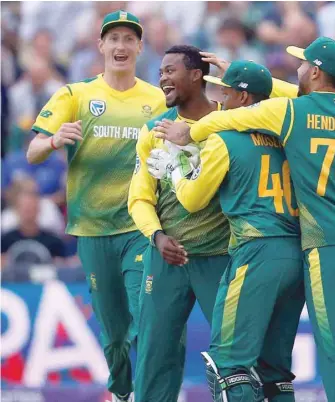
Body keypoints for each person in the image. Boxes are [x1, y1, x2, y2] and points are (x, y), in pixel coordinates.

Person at [155, 37, 335, 402]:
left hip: (321, 245)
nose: (298, 69)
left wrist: (184, 145)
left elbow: (234, 119)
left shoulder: (290, 114)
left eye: (304, 65)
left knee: (322, 352)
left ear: (317, 72)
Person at [26, 10, 167, 402]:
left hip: (141, 227)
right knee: (115, 332)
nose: (121, 46)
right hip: (91, 229)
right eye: (114, 39)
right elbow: (33, 150)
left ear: (140, 46)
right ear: (101, 45)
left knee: (148, 317)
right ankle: (122, 391)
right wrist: (54, 141)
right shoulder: (76, 95)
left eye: (129, 39)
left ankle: (149, 394)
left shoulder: (156, 99)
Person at [149, 60, 305, 402]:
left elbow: (191, 198)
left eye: (228, 92)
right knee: (275, 371)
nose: (221, 99)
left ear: (244, 98)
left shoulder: (225, 139)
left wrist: (175, 166)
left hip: (256, 252)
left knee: (228, 366)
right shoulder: (290, 137)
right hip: (298, 253)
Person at [127, 45, 230, 402]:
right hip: (166, 257)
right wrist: (156, 236)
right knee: (155, 354)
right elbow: (139, 197)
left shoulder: (230, 121)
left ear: (197, 74)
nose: (163, 78)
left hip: (220, 255)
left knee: (232, 354)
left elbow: (293, 98)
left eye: (171, 70)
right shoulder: (154, 130)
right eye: (160, 72)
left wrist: (229, 72)